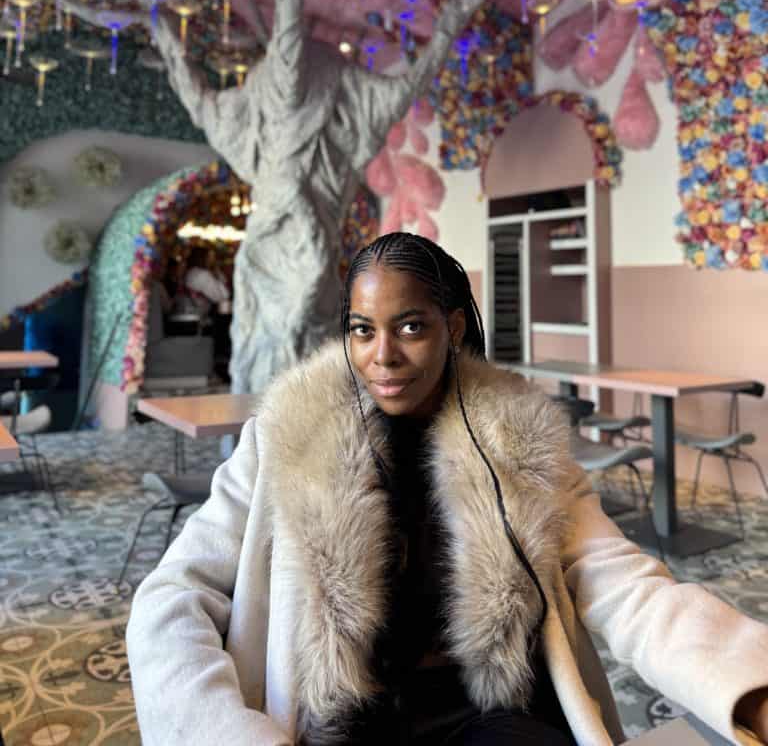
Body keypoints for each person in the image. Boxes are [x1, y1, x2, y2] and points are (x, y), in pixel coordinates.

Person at [126, 232, 768, 746]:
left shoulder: (519, 437)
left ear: (454, 328)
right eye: (361, 329)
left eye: (410, 327)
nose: (383, 355)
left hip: (486, 711)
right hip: (343, 719)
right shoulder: (286, 436)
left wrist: (751, 686)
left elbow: (621, 581)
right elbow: (174, 596)